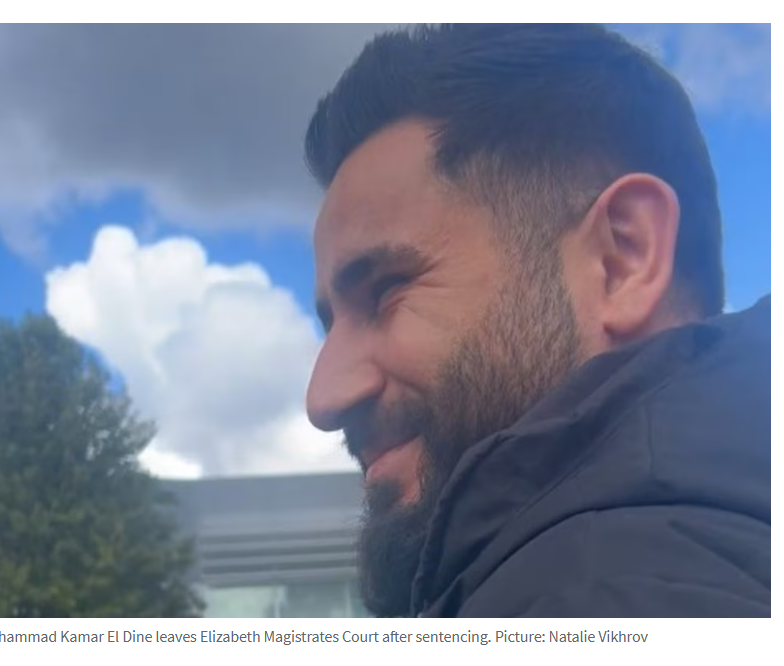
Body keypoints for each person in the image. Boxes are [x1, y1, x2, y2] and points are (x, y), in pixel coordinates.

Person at [303, 24, 770, 618]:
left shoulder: (598, 598)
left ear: (621, 261)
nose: (323, 399)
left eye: (386, 290)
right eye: (331, 324)